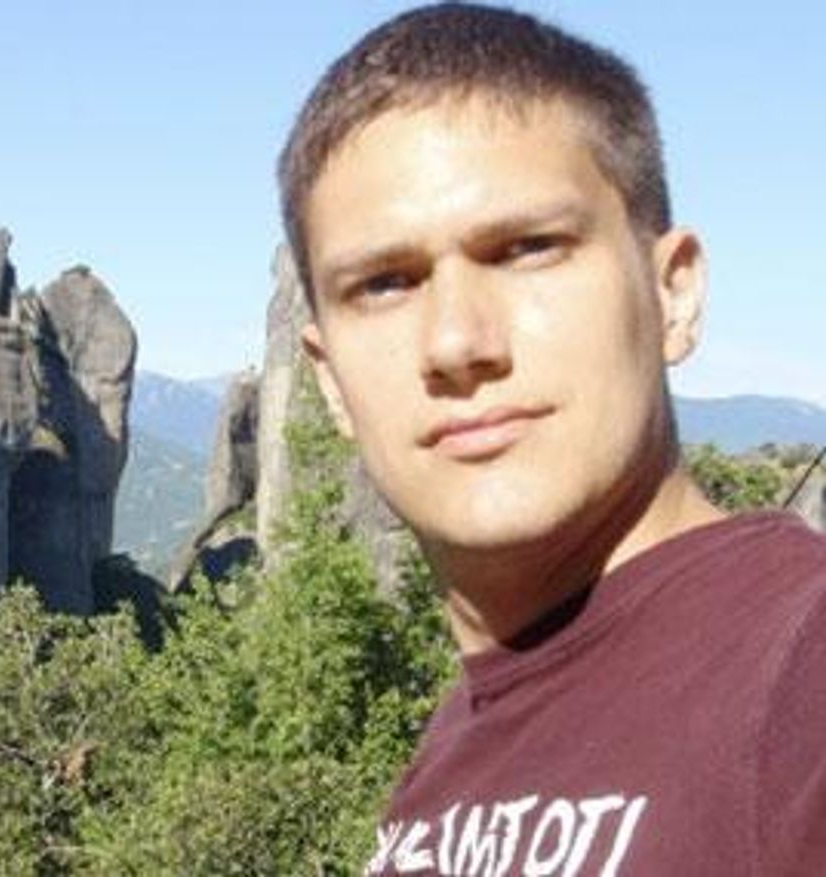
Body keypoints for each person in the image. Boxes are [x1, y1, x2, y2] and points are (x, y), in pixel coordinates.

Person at [277, 4, 826, 875]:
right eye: (384, 283)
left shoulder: (799, 669)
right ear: (331, 379)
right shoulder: (456, 751)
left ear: (674, 293)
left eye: (529, 248)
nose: (456, 342)